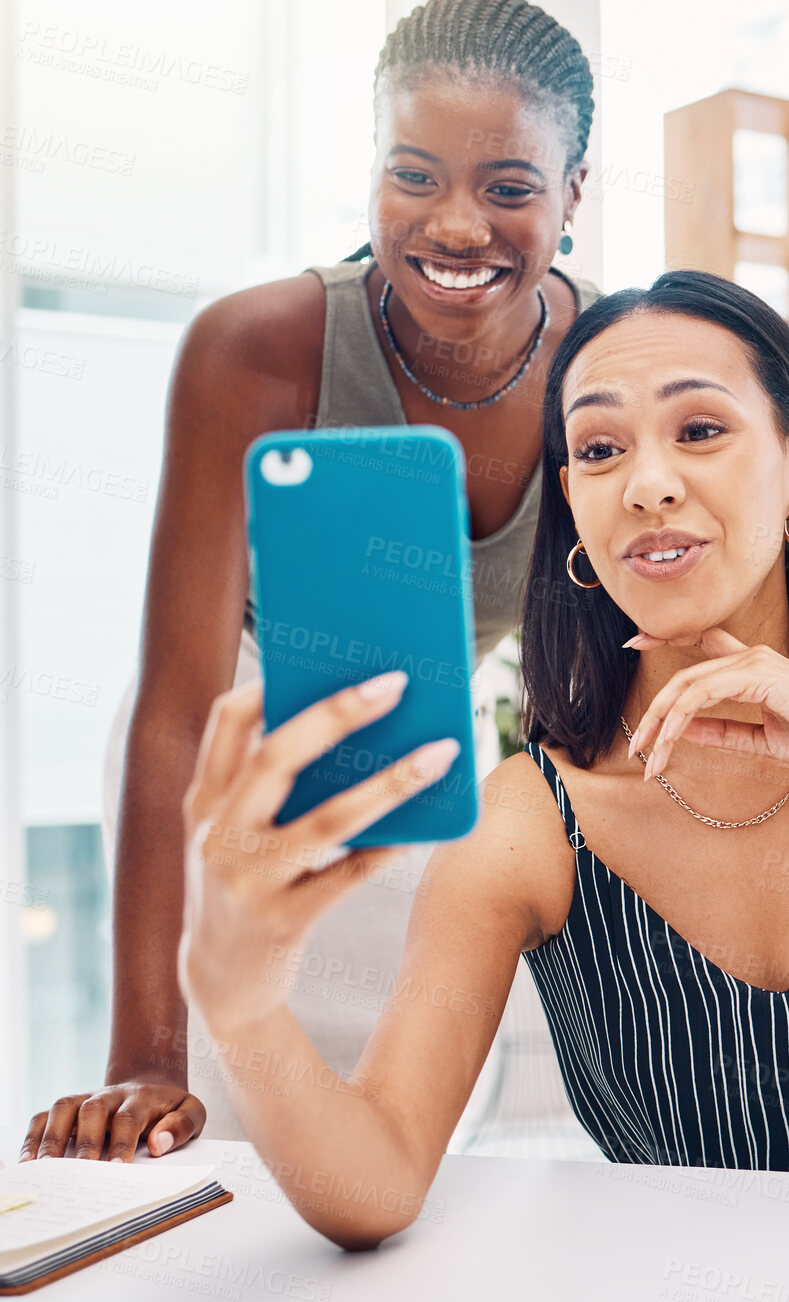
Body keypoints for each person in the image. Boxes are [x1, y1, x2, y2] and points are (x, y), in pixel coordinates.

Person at [33, 270, 789, 1242]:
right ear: (575, 514)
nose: (647, 485)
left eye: (699, 430)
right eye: (599, 449)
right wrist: (240, 1005)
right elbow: (374, 1184)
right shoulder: (532, 817)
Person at [23, 0, 603, 1163]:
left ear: (573, 194)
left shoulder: (604, 364)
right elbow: (175, 707)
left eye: (508, 187)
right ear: (372, 169)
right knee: (236, 1131)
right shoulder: (258, 348)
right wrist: (145, 1054)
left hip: (425, 744)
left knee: (403, 1135)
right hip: (235, 746)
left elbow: (583, 682)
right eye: (414, 174)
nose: (455, 224)